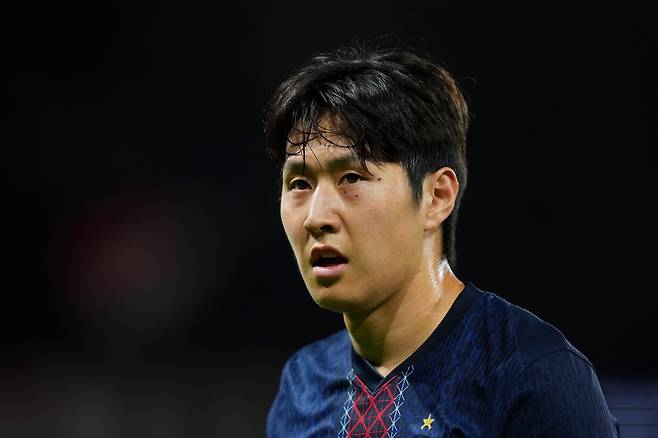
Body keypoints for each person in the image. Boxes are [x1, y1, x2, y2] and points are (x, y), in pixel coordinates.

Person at [262, 45, 620, 437]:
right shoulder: (302, 386)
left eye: (352, 178)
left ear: (437, 196)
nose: (316, 218)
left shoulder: (531, 373)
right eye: (300, 183)